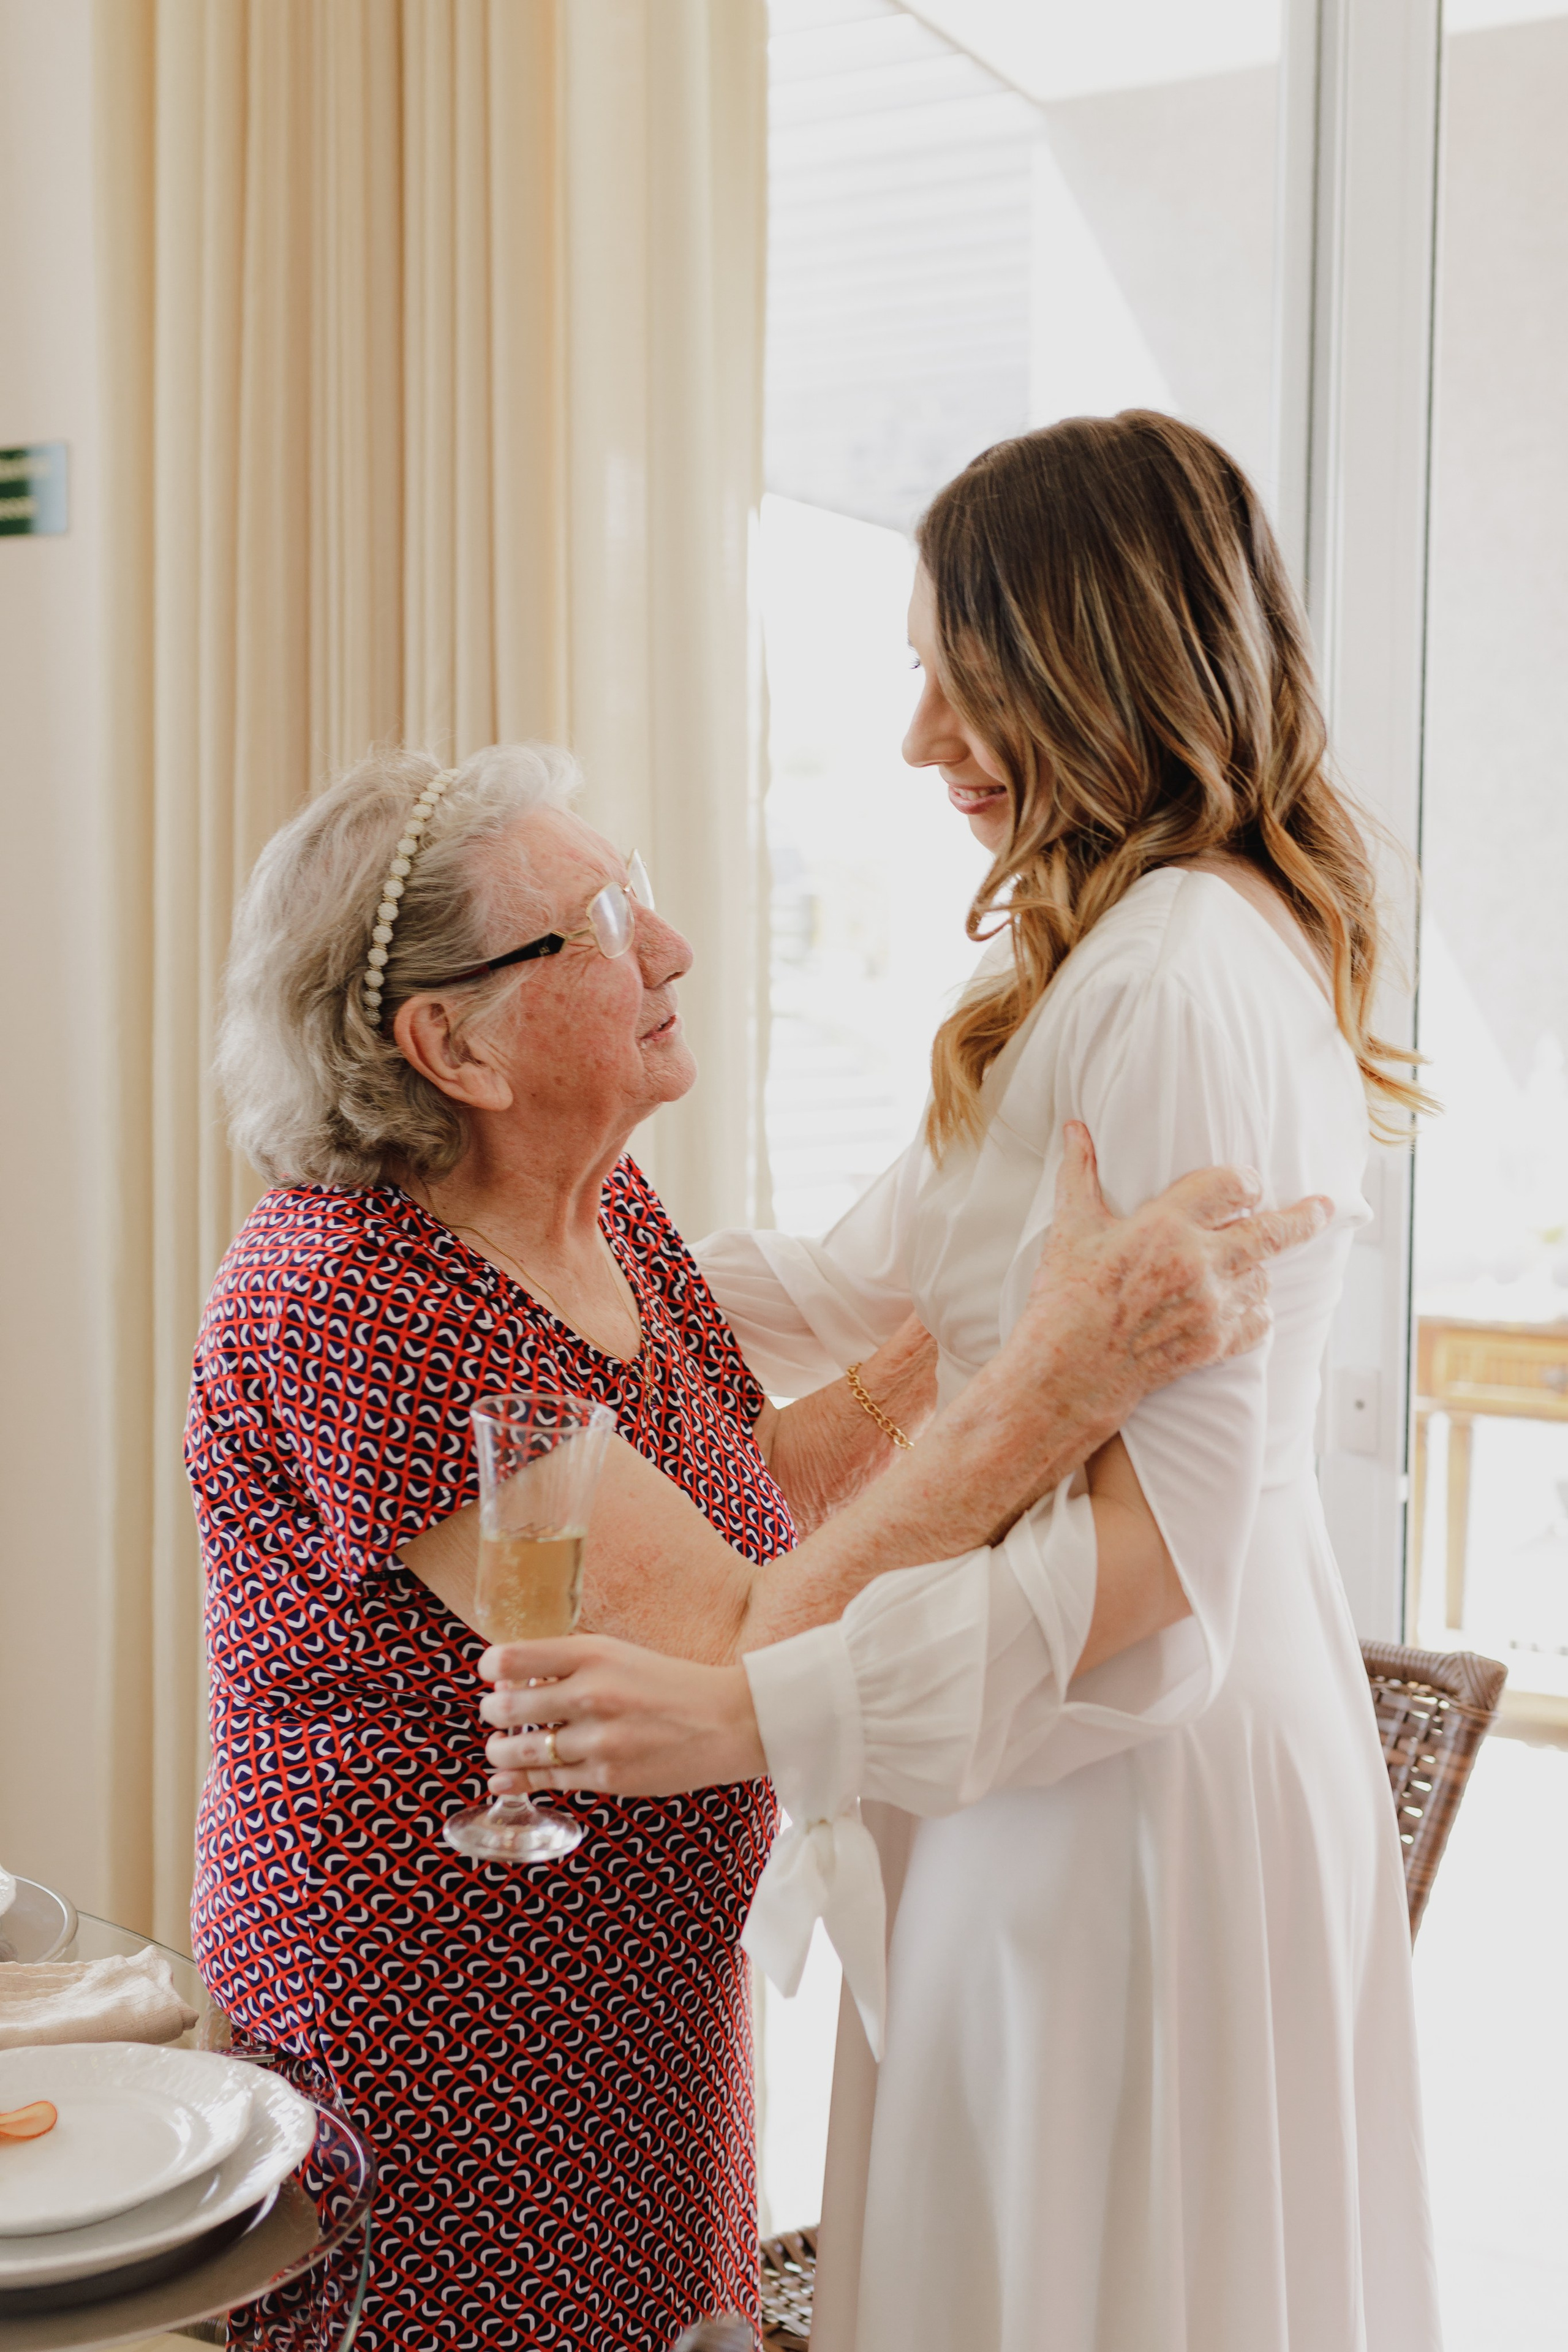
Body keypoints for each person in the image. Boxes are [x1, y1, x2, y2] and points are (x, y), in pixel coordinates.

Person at [480, 413, 1442, 2351]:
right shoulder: (1133, 959)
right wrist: (507, 1252)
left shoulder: (1172, 983)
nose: (921, 733)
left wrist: (760, 1706)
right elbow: (850, 1286)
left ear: (1096, 662)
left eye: (956, 671)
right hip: (1064, 1768)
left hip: (1123, 1787)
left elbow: (1156, 1557)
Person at [189, 737, 1319, 2352]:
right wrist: (1049, 1385)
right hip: (448, 2065)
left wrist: (978, 1325)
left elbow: (749, 1479)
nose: (670, 945)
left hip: (636, 2023)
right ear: (457, 1046)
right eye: (598, 919)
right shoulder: (358, 1301)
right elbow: (726, 1636)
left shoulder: (594, 1210)